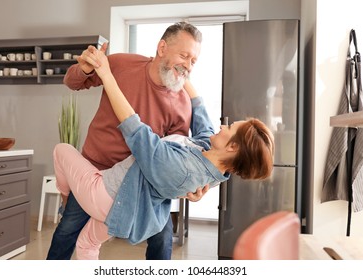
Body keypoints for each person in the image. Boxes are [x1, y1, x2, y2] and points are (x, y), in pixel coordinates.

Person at [53, 49, 275, 259]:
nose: (223, 126)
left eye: (230, 128)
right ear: (162, 48)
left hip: (114, 195)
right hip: (123, 192)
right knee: (85, 243)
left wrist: (106, 75)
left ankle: (66, 195)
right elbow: (201, 115)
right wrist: (182, 73)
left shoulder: (183, 167)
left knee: (61, 150)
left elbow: (136, 130)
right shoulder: (210, 155)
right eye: (185, 56)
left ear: (232, 147)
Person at [47, 22, 208, 260]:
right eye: (184, 55)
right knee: (67, 230)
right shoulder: (122, 64)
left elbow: (175, 158)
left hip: (138, 182)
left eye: (193, 60)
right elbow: (72, 82)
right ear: (162, 47)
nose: (188, 65)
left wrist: (192, 187)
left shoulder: (183, 103)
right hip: (95, 169)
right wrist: (84, 69)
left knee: (163, 237)